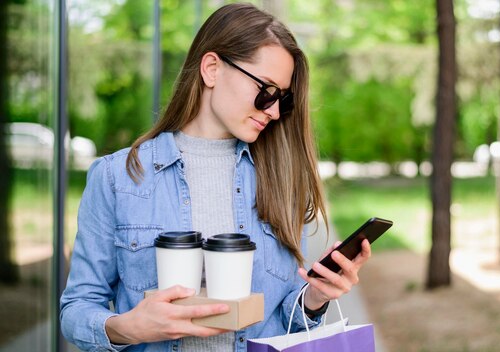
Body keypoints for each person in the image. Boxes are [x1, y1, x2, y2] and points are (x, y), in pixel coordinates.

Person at [60, 3, 372, 352]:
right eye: (266, 90)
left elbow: (282, 319)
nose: (272, 111)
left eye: (281, 100)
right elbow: (76, 309)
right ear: (211, 68)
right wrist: (130, 327)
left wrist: (315, 296)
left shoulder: (282, 181)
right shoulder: (117, 178)